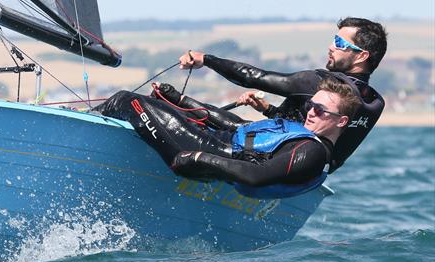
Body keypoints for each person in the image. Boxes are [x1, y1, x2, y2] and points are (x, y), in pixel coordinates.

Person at [174, 17, 387, 170]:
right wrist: (269, 110)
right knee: (229, 121)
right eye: (334, 39)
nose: (331, 47)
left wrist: (206, 59)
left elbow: (254, 76)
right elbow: (311, 131)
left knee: (202, 123)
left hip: (270, 163)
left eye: (340, 43)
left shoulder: (323, 85)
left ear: (362, 56)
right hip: (304, 173)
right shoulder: (373, 102)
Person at [97, 78, 361, 196]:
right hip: (212, 140)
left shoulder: (311, 152)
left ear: (341, 121)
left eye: (320, 110)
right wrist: (180, 100)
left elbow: (256, 176)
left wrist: (200, 157)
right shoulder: (299, 136)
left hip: (205, 151)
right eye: (310, 105)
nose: (310, 112)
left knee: (126, 100)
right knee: (142, 102)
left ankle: (79, 122)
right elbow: (238, 127)